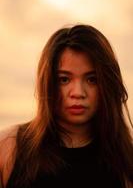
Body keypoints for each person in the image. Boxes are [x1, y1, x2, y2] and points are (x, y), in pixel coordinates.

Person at [0, 24, 133, 188]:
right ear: (47, 82)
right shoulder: (9, 148)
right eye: (64, 79)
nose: (78, 93)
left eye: (92, 79)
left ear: (107, 85)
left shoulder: (126, 161)